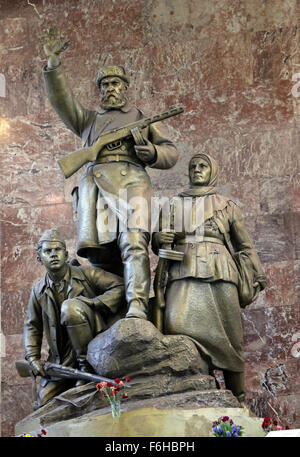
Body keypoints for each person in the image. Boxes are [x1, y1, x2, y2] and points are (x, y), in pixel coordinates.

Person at [41, 28, 179, 320]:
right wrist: (53, 64)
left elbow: (170, 152)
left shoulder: (141, 118)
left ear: (125, 87)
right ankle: (107, 313)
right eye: (105, 84)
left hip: (132, 184)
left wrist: (151, 153)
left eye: (116, 82)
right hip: (98, 189)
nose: (110, 88)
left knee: (135, 243)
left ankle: (138, 305)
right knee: (103, 255)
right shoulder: (89, 120)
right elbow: (62, 100)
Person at [152, 153, 267, 405]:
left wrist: (256, 274)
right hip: (182, 271)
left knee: (230, 335)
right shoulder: (173, 204)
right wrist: (161, 239)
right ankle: (197, 395)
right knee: (179, 329)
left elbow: (244, 246)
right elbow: (157, 239)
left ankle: (238, 403)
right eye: (193, 166)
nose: (197, 170)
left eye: (203, 166)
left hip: (220, 271)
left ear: (212, 170)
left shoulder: (227, 205)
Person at [24, 228, 125, 408]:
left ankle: (85, 367)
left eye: (57, 250)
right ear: (39, 258)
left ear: (66, 254)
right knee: (43, 405)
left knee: (70, 307)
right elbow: (32, 326)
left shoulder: (87, 275)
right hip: (60, 358)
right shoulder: (38, 291)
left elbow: (119, 286)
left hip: (92, 346)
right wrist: (32, 358)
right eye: (48, 251)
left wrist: (93, 303)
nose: (53, 255)